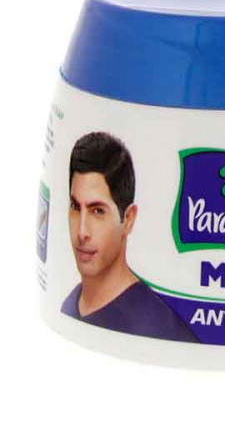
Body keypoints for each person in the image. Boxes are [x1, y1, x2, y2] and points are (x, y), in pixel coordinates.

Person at [61, 132, 198, 343]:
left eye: (98, 211)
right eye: (75, 207)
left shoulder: (163, 332)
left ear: (128, 219)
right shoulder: (70, 305)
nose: (82, 232)